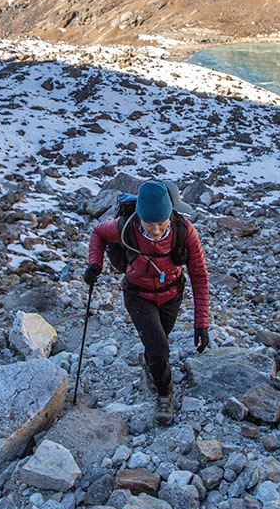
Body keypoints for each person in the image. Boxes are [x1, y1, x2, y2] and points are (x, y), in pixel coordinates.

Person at [85, 180, 211, 425]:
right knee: (159, 346)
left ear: (170, 214)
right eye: (149, 224)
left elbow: (199, 275)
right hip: (137, 295)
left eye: (161, 224)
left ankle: (151, 361)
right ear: (139, 217)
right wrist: (95, 264)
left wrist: (201, 324)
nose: (155, 231)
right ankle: (165, 394)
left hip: (171, 295)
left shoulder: (184, 231)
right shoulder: (126, 226)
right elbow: (98, 232)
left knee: (157, 344)